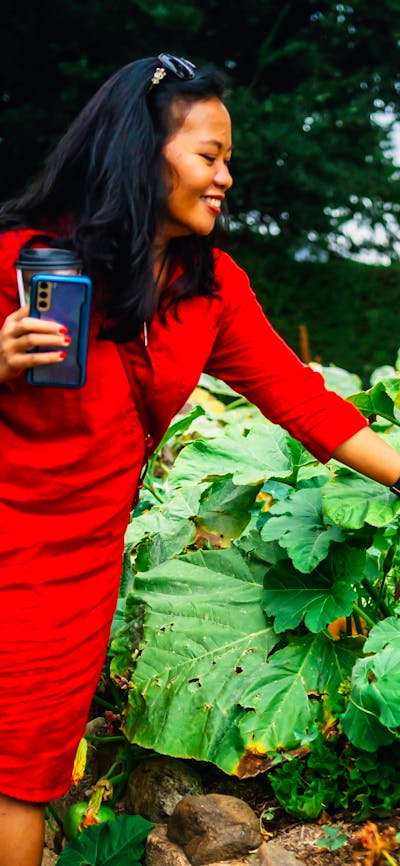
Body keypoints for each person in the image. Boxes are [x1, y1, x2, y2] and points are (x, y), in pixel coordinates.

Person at [1, 53, 400, 866]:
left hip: (74, 570)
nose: (224, 177)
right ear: (141, 153)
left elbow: (307, 403)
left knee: (22, 772)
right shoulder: (21, 258)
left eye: (229, 161)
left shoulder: (209, 288)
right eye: (208, 155)